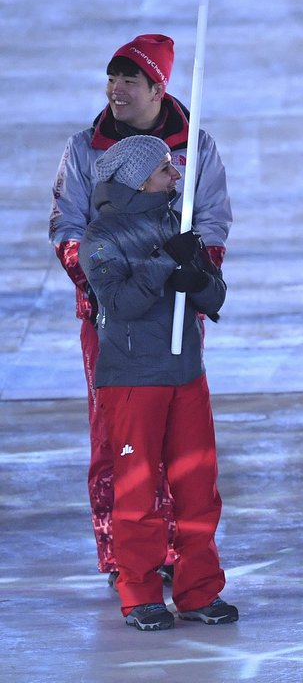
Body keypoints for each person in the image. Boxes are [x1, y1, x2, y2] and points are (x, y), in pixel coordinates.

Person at [49, 33, 232, 585]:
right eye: (112, 79)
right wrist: (109, 286)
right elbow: (66, 227)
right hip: (108, 318)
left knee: (183, 444)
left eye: (130, 80)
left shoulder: (194, 147)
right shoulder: (84, 148)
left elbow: (213, 221)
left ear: (158, 87)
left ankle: (180, 554)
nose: (116, 90)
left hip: (178, 314)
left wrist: (192, 272)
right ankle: (122, 556)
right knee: (116, 437)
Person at [82, 136, 237, 631]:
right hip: (132, 381)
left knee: (198, 489)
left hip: (185, 375)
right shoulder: (101, 237)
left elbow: (215, 296)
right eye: (166, 168)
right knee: (137, 490)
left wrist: (198, 279)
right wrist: (165, 264)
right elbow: (119, 303)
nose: (176, 176)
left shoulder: (178, 223)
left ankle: (198, 590)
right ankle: (141, 594)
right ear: (136, 178)